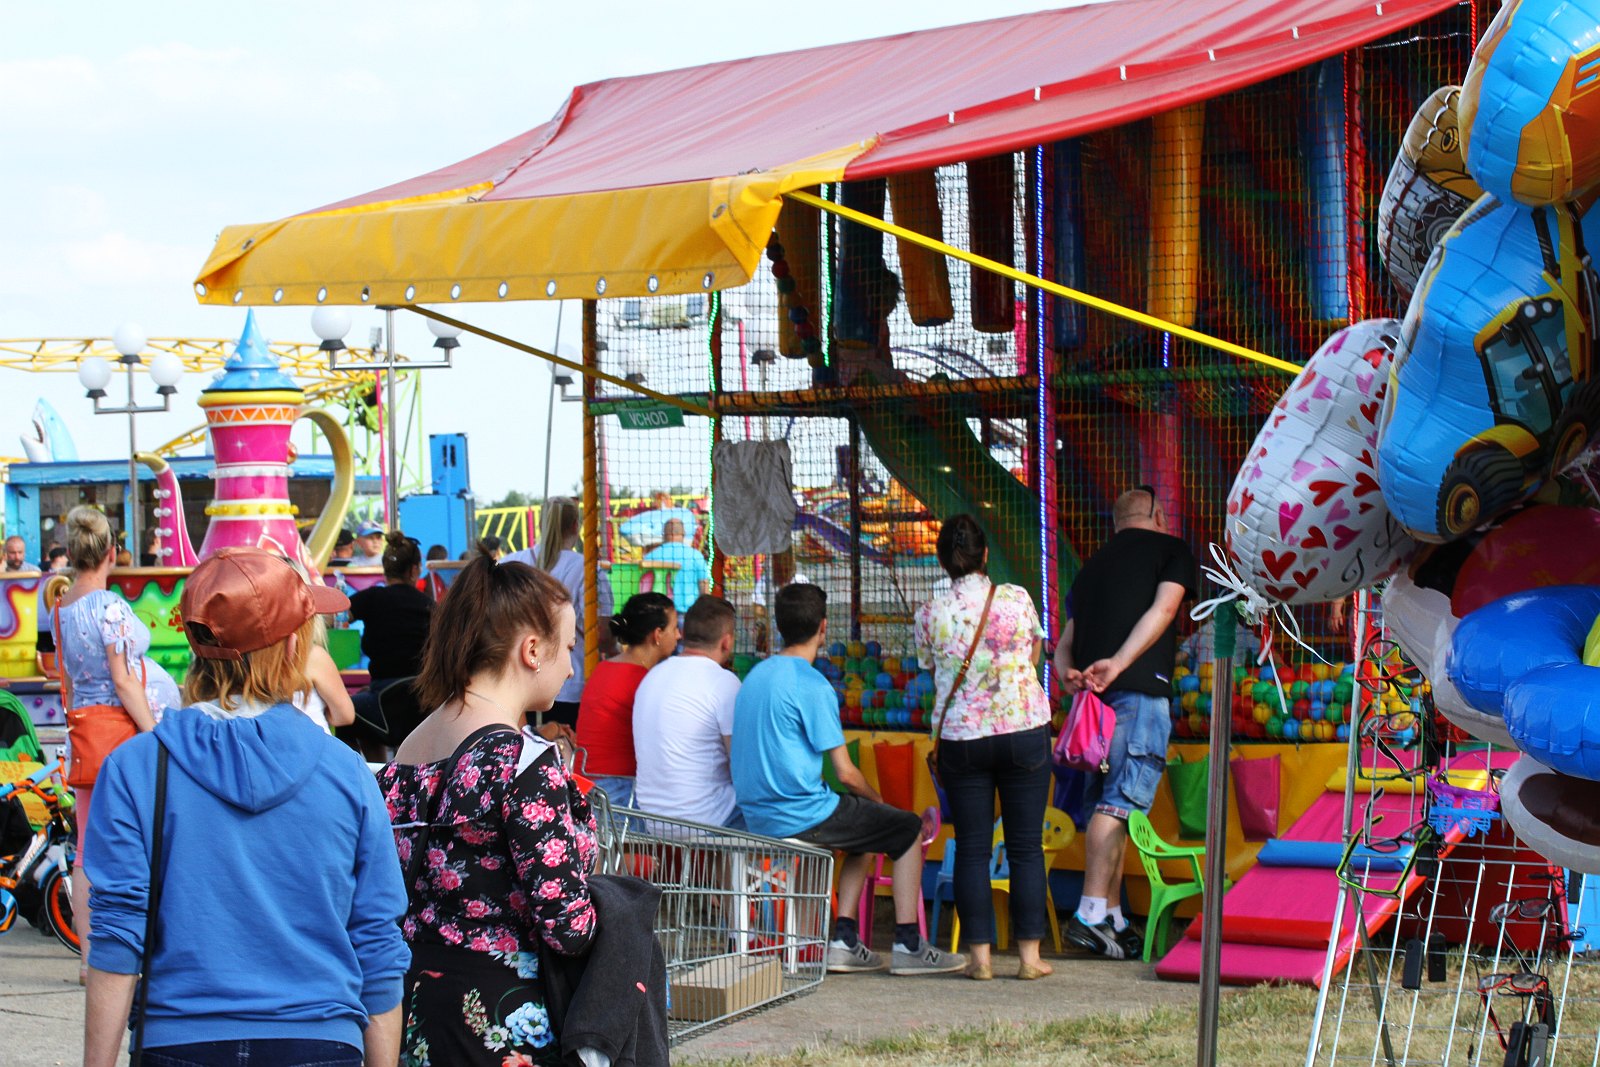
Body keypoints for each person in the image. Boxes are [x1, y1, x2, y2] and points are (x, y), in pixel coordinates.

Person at [83, 547, 408, 1067]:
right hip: (320, 1038)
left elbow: (119, 935)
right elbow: (377, 942)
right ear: (293, 645)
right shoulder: (347, 773)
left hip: (180, 1038)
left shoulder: (136, 768)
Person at [378, 554, 599, 1067]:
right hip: (502, 1017)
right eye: (568, 647)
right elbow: (567, 926)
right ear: (531, 650)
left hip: (415, 1005)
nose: (570, 665)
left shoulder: (409, 749)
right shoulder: (521, 761)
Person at [732, 583, 963, 976]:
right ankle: (909, 944)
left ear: (779, 625)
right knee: (903, 827)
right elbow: (846, 772)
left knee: (867, 830)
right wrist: (882, 802)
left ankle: (844, 939)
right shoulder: (812, 684)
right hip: (802, 814)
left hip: (758, 815)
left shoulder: (755, 676)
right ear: (824, 628)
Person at [1054, 485, 1198, 960]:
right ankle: (1091, 912)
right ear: (1158, 513)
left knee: (1107, 805)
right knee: (1119, 804)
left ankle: (1112, 917)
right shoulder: (1171, 549)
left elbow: (1064, 642)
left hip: (1093, 708)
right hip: (1138, 693)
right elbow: (1165, 609)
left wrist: (1067, 676)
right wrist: (1118, 661)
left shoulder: (1090, 568)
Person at [916, 514, 1053, 982]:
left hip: (961, 738)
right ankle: (1030, 958)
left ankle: (980, 959)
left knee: (972, 848)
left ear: (943, 561)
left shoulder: (931, 612)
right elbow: (1033, 656)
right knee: (1025, 847)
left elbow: (930, 666)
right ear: (986, 555)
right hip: (1024, 728)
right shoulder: (1016, 598)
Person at [54, 506, 182, 979]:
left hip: (88, 735)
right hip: (124, 736)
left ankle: (90, 956)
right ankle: (152, 944)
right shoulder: (111, 608)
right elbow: (124, 680)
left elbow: (68, 677)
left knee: (87, 847)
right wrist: (158, 733)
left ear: (71, 552)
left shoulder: (61, 609)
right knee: (148, 837)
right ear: (112, 553)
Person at [503, 497, 614, 729]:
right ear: (576, 525)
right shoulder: (587, 568)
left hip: (516, 683)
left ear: (541, 524)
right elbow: (602, 634)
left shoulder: (511, 562)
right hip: (569, 683)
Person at [633, 595, 744, 828]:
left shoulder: (652, 676)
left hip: (652, 819)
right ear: (727, 642)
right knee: (778, 819)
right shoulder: (724, 682)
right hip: (708, 820)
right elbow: (741, 762)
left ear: (684, 633)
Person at [572, 592, 678, 809]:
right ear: (657, 634)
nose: (679, 635)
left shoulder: (604, 668)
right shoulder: (645, 681)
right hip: (618, 791)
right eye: (674, 628)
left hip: (587, 785)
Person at [349, 533, 435, 753]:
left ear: (385, 569)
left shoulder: (371, 598)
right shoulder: (430, 606)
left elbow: (338, 616)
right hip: (423, 702)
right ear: (415, 570)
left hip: (381, 699)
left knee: (347, 713)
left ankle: (372, 773)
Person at [642, 518, 710, 617]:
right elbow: (704, 589)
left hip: (658, 615)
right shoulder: (696, 556)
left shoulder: (649, 557)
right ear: (684, 533)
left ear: (664, 534)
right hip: (688, 614)